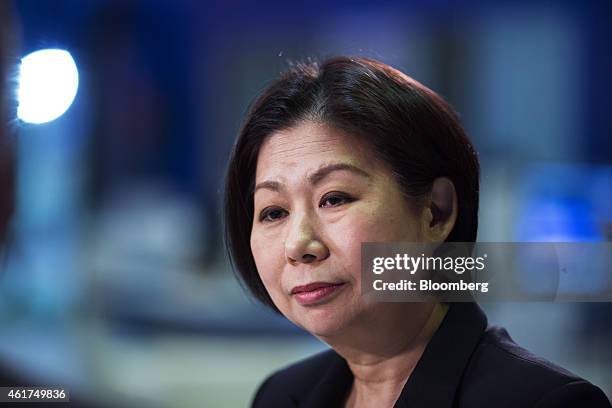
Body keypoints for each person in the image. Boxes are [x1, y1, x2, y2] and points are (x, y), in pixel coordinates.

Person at [223, 56, 611, 407]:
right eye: (273, 212)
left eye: (334, 198)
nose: (298, 245)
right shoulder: (281, 396)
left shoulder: (546, 404)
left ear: (435, 213)